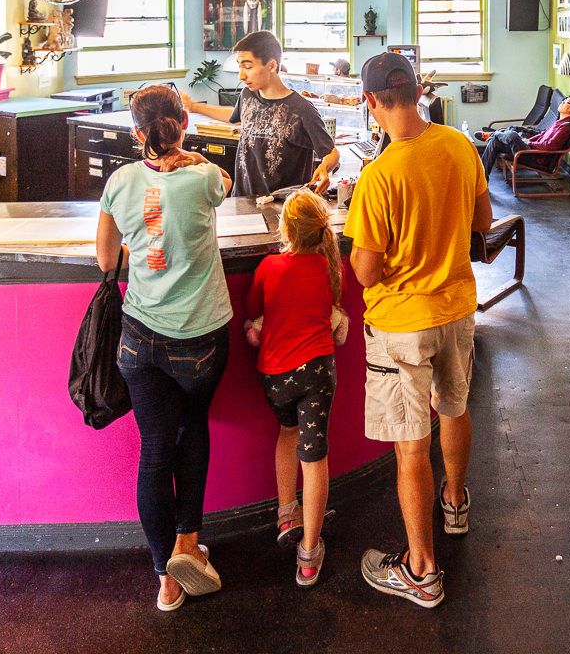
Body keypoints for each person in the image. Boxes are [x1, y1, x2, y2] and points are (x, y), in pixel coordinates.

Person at [343, 52, 493, 608]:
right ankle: (455, 503)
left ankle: (421, 571)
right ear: (417, 92)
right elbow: (482, 222)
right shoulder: (459, 145)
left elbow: (365, 270)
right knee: (454, 407)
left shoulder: (380, 176)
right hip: (456, 307)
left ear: (372, 102)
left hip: (402, 321)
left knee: (412, 444)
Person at [95, 84, 233, 612]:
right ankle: (187, 547)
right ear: (183, 123)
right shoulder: (201, 178)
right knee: (192, 430)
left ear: (135, 133)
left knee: (154, 450)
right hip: (198, 336)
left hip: (139, 338)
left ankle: (165, 579)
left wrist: (148, 242)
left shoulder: (119, 181)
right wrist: (191, 157)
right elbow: (224, 180)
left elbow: (107, 260)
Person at [245, 189, 343, 589]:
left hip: (275, 376)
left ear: (284, 228)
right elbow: (334, 310)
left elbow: (255, 312)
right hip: (317, 372)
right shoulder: (327, 268)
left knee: (287, 435)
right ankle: (309, 552)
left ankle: (287, 511)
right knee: (314, 456)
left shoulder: (269, 266)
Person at [179, 31, 339, 197]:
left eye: (248, 67)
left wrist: (325, 167)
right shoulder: (247, 95)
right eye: (240, 66)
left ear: (271, 66)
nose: (241, 75)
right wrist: (194, 107)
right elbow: (233, 116)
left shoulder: (302, 109)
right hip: (242, 199)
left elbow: (331, 153)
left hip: (283, 207)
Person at [478, 94, 570, 177]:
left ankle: (494, 134)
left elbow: (550, 146)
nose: (562, 102)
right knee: (494, 142)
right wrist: (526, 140)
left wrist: (529, 142)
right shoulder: (559, 122)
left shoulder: (566, 127)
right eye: (563, 100)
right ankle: (482, 179)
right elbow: (542, 135)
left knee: (513, 134)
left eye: (566, 102)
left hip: (536, 157)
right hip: (530, 151)